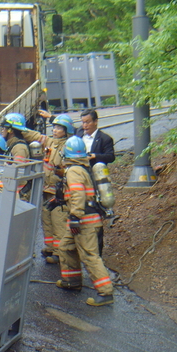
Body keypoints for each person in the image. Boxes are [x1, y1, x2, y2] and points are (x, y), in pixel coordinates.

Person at [55, 135, 114, 306]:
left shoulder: (73, 171)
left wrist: (75, 217)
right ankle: (71, 282)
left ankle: (105, 293)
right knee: (65, 247)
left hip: (83, 221)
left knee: (89, 256)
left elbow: (77, 193)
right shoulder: (82, 168)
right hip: (85, 219)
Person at [23, 113, 74, 264]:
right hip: (46, 190)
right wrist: (19, 128)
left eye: (59, 128)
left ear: (66, 130)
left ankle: (59, 253)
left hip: (59, 192)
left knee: (58, 221)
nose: (55, 130)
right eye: (54, 127)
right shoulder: (50, 142)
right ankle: (50, 247)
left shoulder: (69, 146)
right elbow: (35, 136)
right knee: (46, 219)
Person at [76, 109, 115, 256]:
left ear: (95, 122)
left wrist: (95, 156)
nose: (84, 125)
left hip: (95, 179)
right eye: (83, 122)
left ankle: (97, 251)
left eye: (87, 122)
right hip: (79, 179)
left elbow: (111, 156)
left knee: (95, 212)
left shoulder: (105, 139)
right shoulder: (78, 135)